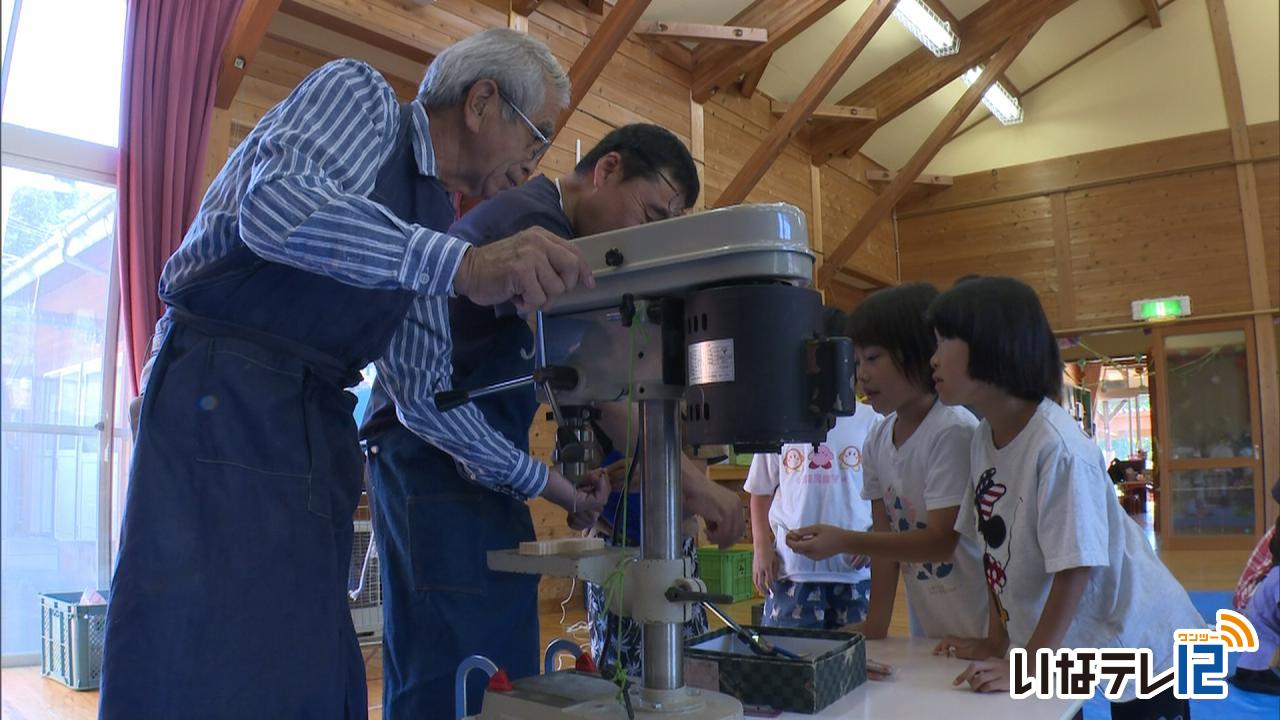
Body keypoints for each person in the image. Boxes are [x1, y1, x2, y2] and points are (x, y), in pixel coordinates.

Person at [99, 29, 602, 719]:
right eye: (536, 137)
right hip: (222, 398)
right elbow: (274, 208)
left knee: (303, 667)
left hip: (313, 425)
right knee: (202, 658)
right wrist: (464, 266)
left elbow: (425, 400)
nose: (532, 165)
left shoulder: (431, 221)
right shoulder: (362, 98)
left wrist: (552, 485)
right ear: (482, 101)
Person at [361, 123, 742, 717]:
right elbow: (610, 396)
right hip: (426, 459)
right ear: (607, 169)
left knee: (500, 659)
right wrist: (700, 491)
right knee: (454, 662)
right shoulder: (534, 231)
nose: (647, 236)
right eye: (649, 214)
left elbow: (578, 383)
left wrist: (565, 482)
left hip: (477, 468)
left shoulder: (561, 236)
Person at [926, 276, 1202, 720]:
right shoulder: (982, 439)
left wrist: (1029, 665)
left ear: (994, 344)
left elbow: (1076, 566)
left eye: (944, 342)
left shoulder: (1057, 446)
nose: (933, 358)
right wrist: (997, 643)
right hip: (1072, 639)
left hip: (1138, 633)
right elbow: (994, 556)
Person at [785, 284, 988, 641]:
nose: (861, 374)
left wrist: (845, 540)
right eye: (857, 361)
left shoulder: (952, 430)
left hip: (983, 626)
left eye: (874, 358)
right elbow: (885, 540)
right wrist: (875, 625)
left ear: (917, 353)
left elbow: (940, 541)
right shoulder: (878, 438)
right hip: (932, 628)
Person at [746, 307, 882, 630]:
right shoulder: (782, 423)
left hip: (853, 572)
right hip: (792, 572)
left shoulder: (872, 421)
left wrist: (874, 538)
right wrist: (761, 548)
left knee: (856, 666)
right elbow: (759, 492)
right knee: (789, 663)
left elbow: (886, 497)